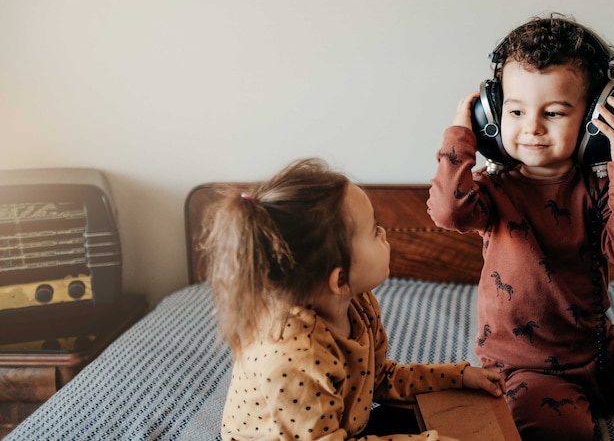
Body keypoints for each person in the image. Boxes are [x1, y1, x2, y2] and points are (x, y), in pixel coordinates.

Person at [427, 14, 614, 441]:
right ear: (492, 115)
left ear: (597, 117)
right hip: (523, 364)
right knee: (560, 429)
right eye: (516, 110)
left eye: (554, 112)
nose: (532, 127)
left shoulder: (601, 188)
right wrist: (459, 136)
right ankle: (545, 398)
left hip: (599, 353)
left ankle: (593, 390)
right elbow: (448, 211)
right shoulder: (491, 188)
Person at [205, 158, 504, 441]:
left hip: (335, 426)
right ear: (340, 279)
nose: (385, 234)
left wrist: (459, 376)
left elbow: (380, 379)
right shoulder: (295, 357)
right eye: (374, 230)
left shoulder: (358, 304)